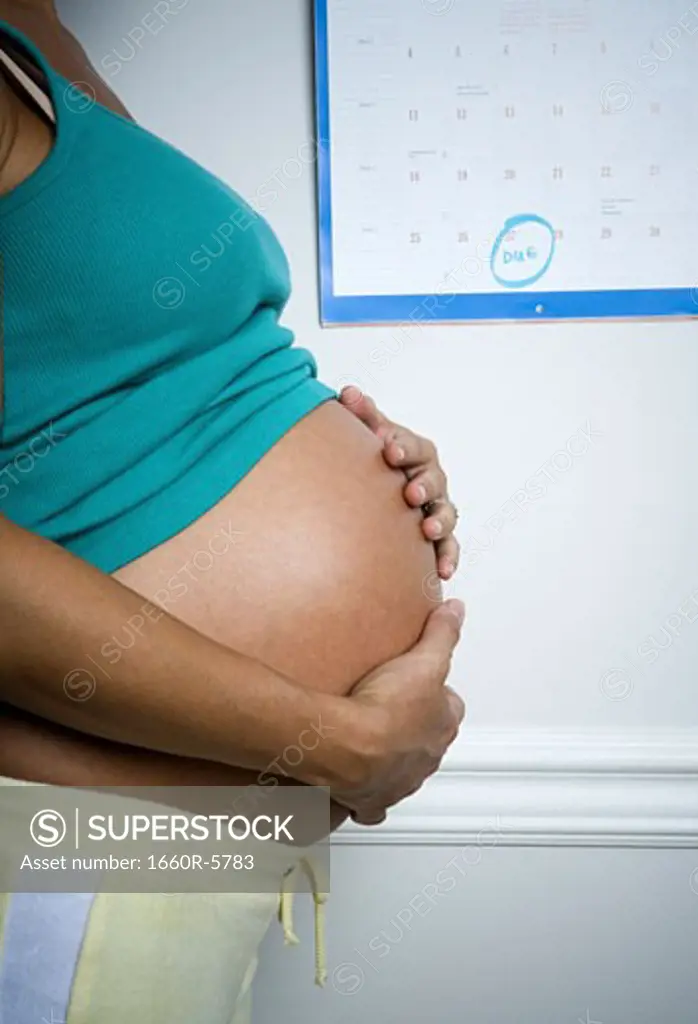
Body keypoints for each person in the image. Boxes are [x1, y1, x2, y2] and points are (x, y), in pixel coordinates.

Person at [0, 3, 466, 1022]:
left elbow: (114, 362)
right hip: (67, 840)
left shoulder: (29, 30)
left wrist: (342, 447)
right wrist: (335, 742)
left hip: (187, 841)